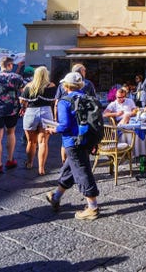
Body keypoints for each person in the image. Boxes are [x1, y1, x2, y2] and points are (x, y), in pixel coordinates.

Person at [45, 72, 100, 220]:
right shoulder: (87, 98)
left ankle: (92, 207)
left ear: (66, 85)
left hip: (72, 142)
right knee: (69, 170)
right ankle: (56, 197)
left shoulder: (65, 101)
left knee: (82, 172)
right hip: (86, 140)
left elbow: (64, 125)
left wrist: (53, 129)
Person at [20, 66, 57, 175]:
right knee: (43, 142)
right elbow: (55, 100)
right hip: (46, 112)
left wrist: (24, 107)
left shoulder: (29, 86)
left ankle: (30, 162)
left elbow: (22, 102)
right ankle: (41, 168)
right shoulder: (52, 86)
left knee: (31, 142)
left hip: (31, 112)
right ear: (46, 75)